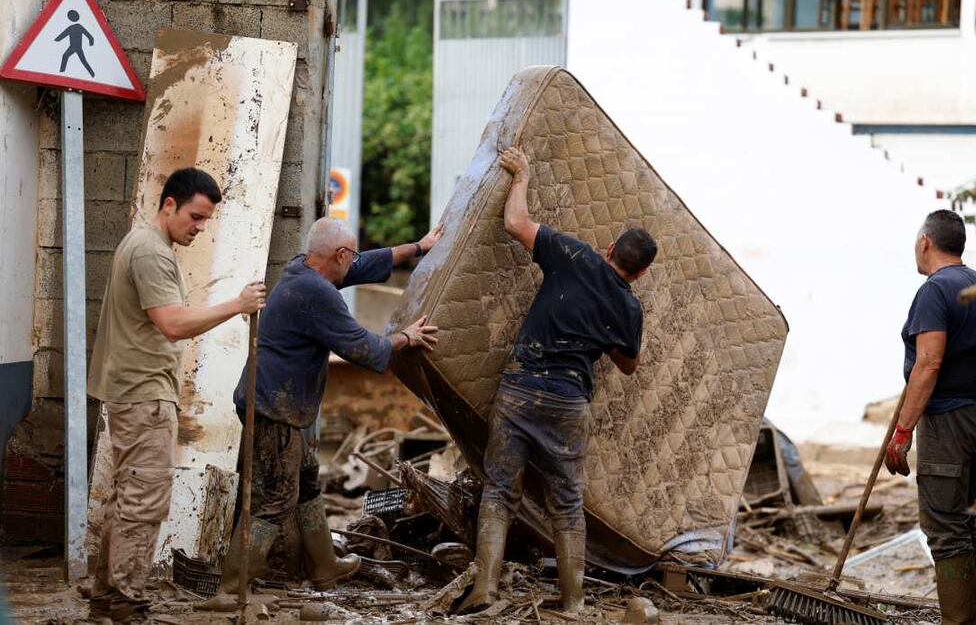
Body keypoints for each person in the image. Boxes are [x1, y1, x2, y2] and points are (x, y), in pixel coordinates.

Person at [460, 147, 657, 614]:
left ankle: (485, 589)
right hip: (569, 403)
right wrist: (605, 331)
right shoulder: (630, 309)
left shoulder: (573, 254)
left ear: (610, 249)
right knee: (567, 503)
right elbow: (629, 365)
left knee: (499, 489)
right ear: (642, 272)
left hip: (521, 390)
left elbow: (515, 224)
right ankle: (573, 602)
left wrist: (523, 176)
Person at [214, 217, 442, 595]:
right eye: (348, 257)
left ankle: (324, 566)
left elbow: (364, 263)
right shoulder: (317, 293)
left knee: (305, 481)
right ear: (338, 254)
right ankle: (230, 591)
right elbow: (365, 349)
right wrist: (407, 336)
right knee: (273, 500)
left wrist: (417, 247)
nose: (352, 264)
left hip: (280, 404)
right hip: (274, 410)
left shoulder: (301, 267)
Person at [87, 168, 266, 623]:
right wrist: (236, 306)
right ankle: (124, 602)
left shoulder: (144, 243)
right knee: (144, 502)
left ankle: (107, 600)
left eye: (205, 220)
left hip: (132, 389)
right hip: (143, 393)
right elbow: (173, 323)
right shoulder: (151, 252)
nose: (200, 227)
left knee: (126, 498)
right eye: (195, 216)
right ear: (169, 205)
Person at [885, 209, 976, 625]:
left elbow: (929, 363)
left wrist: (902, 432)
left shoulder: (935, 290)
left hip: (949, 421)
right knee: (963, 528)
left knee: (946, 532)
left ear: (925, 243)